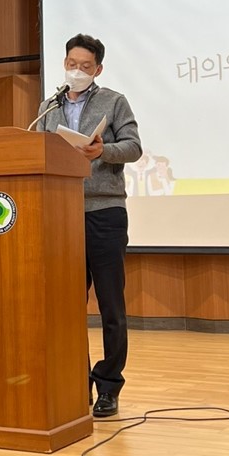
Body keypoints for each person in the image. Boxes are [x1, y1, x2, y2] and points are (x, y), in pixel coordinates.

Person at [36, 33, 142, 418]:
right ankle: (74, 379)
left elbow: (133, 147)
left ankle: (109, 385)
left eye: (85, 66)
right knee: (67, 305)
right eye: (71, 64)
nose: (76, 71)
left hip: (104, 212)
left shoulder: (113, 101)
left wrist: (103, 150)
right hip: (61, 213)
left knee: (111, 305)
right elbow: (35, 150)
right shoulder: (49, 106)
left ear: (98, 69)